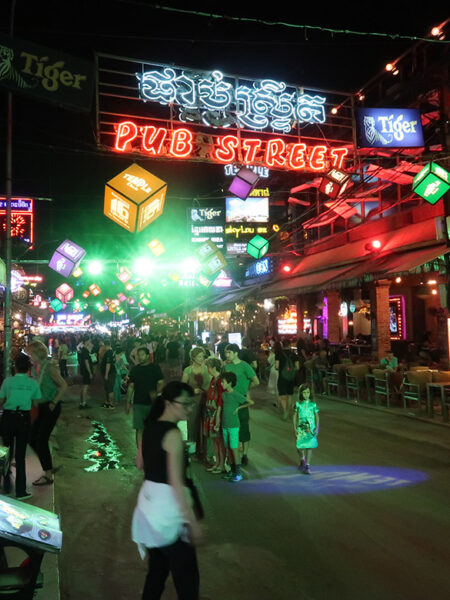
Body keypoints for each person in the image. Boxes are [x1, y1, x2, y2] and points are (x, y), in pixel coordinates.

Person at [132, 382, 202, 600]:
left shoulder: (149, 426)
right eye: (185, 404)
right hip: (168, 513)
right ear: (168, 403)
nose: (189, 409)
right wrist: (192, 522)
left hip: (148, 507)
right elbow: (176, 483)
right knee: (187, 579)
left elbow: (139, 463)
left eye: (191, 404)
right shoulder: (172, 434)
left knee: (157, 571)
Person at [0, 353, 42, 500]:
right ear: (29, 367)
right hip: (23, 418)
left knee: (6, 452)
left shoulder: (7, 381)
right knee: (20, 455)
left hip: (8, 418)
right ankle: (20, 491)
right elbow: (36, 403)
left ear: (15, 367)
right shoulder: (33, 383)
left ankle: (5, 485)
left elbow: (1, 400)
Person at [26, 341, 67, 486]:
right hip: (42, 406)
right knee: (32, 438)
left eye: (30, 353)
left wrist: (53, 403)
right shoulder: (36, 367)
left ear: (37, 353)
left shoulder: (49, 367)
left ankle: (48, 474)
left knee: (41, 439)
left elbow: (63, 385)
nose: (29, 356)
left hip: (51, 407)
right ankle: (47, 465)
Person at [223, 344, 259, 466]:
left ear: (236, 353)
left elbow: (256, 381)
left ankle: (245, 454)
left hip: (241, 399)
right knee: (231, 426)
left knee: (243, 426)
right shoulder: (226, 366)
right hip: (230, 399)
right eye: (226, 353)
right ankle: (233, 454)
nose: (226, 355)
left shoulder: (244, 365)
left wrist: (246, 389)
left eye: (229, 353)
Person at [127, 347, 164, 447]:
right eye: (138, 355)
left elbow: (161, 382)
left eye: (142, 354)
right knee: (139, 429)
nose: (140, 357)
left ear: (148, 355)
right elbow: (131, 386)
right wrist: (128, 402)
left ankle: (151, 451)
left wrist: (157, 392)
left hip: (153, 403)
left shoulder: (155, 368)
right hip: (138, 403)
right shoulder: (135, 369)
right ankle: (140, 453)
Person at [220, 371, 253, 482]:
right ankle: (232, 470)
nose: (221, 384)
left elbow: (250, 402)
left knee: (234, 449)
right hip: (225, 425)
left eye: (223, 382)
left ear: (229, 383)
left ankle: (238, 473)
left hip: (233, 426)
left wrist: (239, 408)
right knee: (229, 448)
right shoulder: (224, 395)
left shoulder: (235, 394)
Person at [181, 348, 211, 458]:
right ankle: (193, 447)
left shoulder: (208, 369)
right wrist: (192, 391)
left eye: (203, 356)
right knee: (192, 425)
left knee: (206, 425)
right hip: (192, 401)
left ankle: (205, 449)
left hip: (207, 400)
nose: (202, 358)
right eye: (199, 356)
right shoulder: (188, 370)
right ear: (193, 358)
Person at [204, 357, 225, 474]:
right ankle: (217, 463)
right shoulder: (213, 379)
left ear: (213, 367)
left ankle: (221, 464)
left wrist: (217, 417)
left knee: (219, 440)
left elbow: (221, 399)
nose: (207, 369)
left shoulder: (220, 381)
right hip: (211, 413)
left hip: (216, 413)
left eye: (208, 367)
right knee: (214, 440)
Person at [293, 384, 319, 475]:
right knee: (299, 446)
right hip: (301, 428)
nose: (306, 395)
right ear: (301, 394)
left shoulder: (313, 405)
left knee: (309, 446)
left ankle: (307, 465)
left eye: (307, 392)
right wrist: (295, 427)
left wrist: (317, 428)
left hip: (311, 428)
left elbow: (317, 416)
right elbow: (295, 416)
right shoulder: (298, 404)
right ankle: (302, 459)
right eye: (304, 393)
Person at [275, 339, 299, 421]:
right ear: (289, 345)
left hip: (282, 377)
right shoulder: (294, 355)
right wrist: (291, 370)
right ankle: (289, 411)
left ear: (282, 345)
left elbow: (277, 366)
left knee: (282, 396)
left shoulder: (279, 354)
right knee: (290, 395)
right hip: (291, 378)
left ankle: (285, 411)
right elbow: (297, 367)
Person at [77, 337, 93, 409]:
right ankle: (84, 403)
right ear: (86, 342)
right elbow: (86, 362)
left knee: (84, 387)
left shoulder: (83, 350)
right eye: (89, 341)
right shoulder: (85, 351)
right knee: (85, 387)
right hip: (86, 371)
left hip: (83, 370)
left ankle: (82, 402)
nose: (90, 342)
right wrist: (90, 372)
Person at [101, 339, 116, 409]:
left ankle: (111, 404)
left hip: (110, 373)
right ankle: (107, 402)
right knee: (107, 388)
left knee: (110, 389)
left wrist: (106, 374)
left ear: (105, 345)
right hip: (109, 373)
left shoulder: (109, 353)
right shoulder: (111, 352)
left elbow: (108, 364)